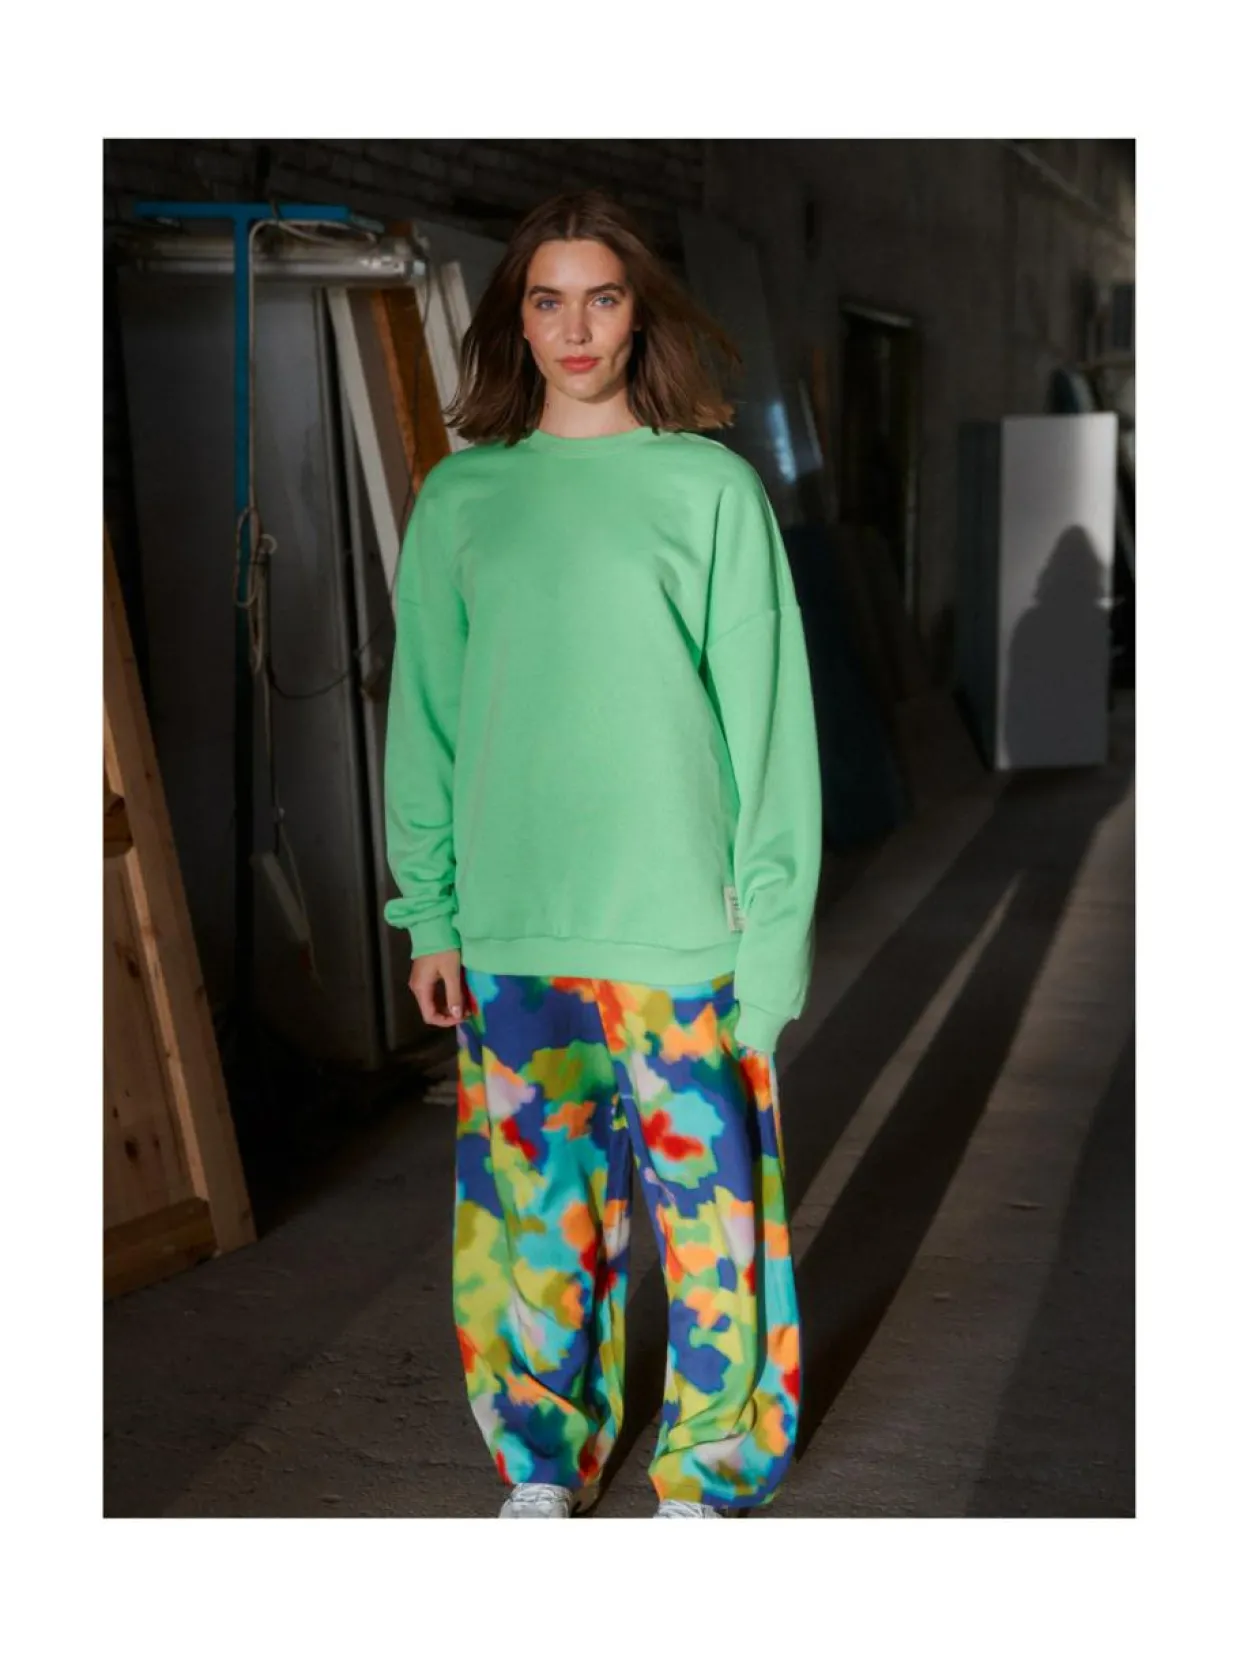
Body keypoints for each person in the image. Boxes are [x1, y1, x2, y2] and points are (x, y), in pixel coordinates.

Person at [383, 190, 821, 1518]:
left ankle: (708, 1472)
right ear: (516, 322)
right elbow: (427, 719)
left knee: (714, 1222)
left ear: (641, 315)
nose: (575, 329)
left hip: (682, 925)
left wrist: (774, 937)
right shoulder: (463, 499)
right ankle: (541, 1461)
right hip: (516, 930)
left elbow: (768, 728)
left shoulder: (710, 490)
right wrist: (430, 915)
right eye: (547, 300)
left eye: (603, 297)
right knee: (536, 1220)